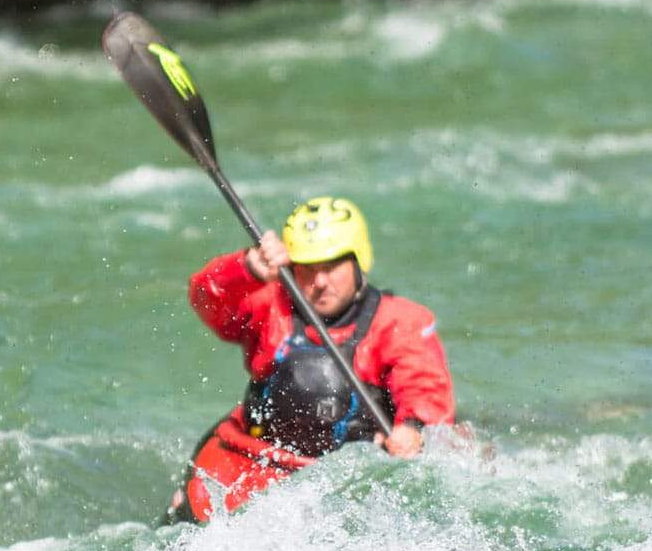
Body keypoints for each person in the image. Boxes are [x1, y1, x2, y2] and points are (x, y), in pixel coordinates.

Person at [167, 196, 455, 523]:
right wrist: (246, 268)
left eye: (331, 267)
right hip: (255, 457)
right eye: (307, 269)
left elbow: (425, 389)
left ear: (357, 261)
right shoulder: (269, 304)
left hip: (344, 473)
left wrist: (412, 428)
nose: (319, 282)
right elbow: (205, 297)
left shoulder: (399, 321)